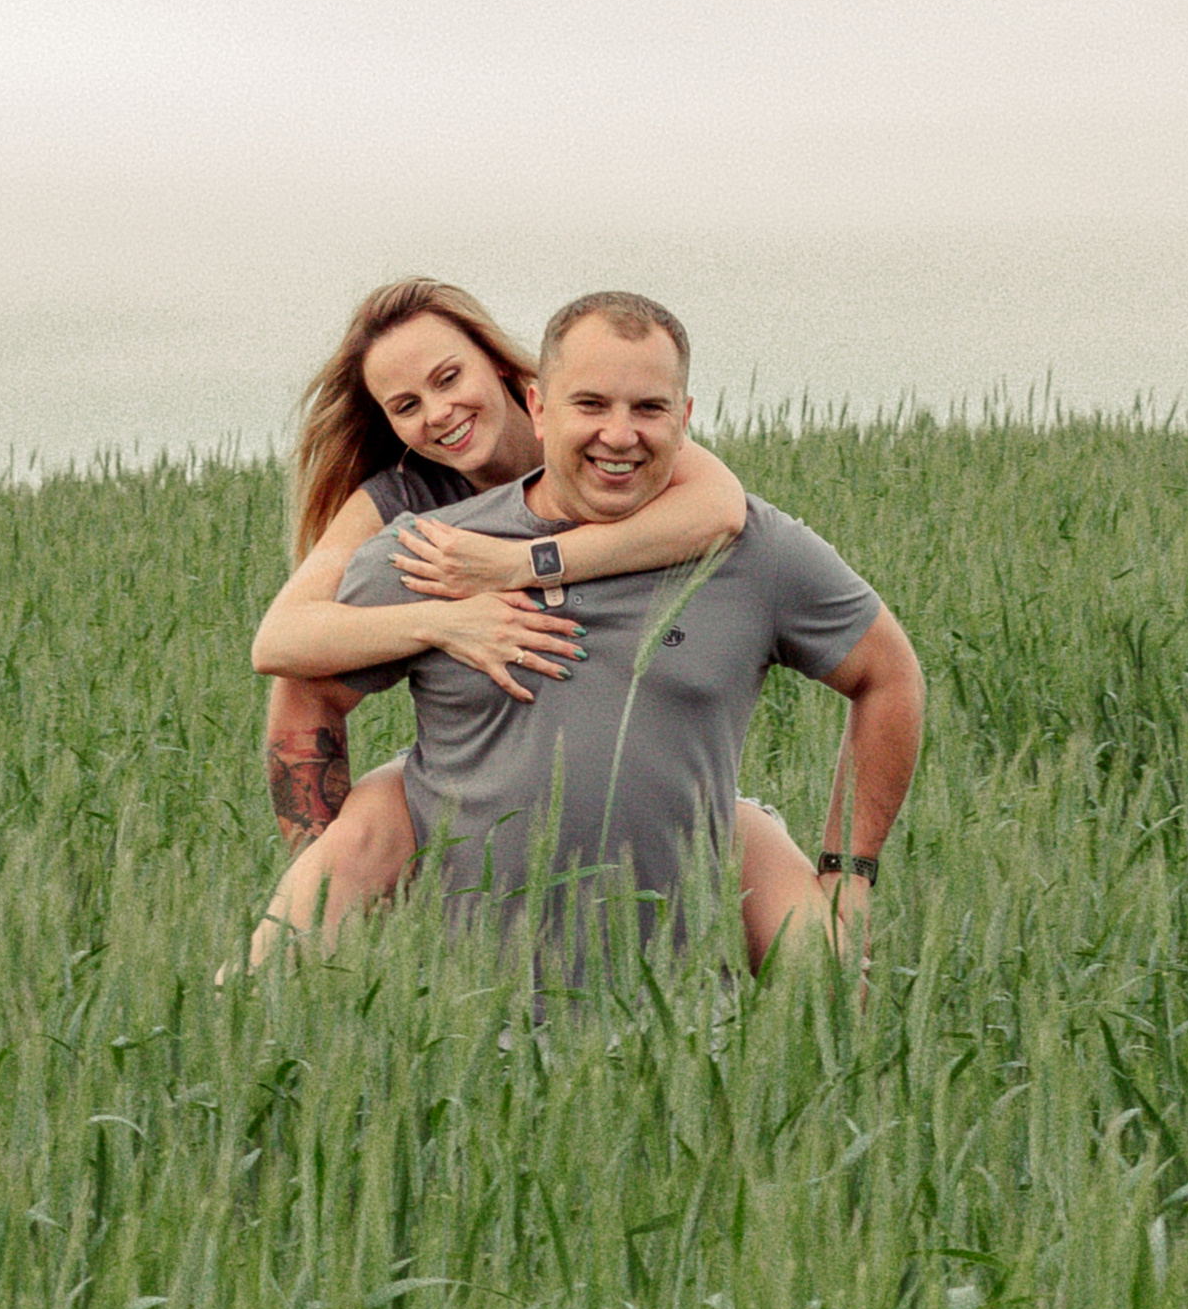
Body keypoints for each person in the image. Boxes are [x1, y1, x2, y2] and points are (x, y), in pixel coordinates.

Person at [291, 288, 923, 974]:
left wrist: (849, 875)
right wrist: (325, 864)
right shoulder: (433, 551)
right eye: (590, 405)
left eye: (648, 408)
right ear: (539, 406)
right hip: (474, 1033)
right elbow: (299, 667)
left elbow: (888, 674)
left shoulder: (748, 543)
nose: (619, 435)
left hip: (686, 1034)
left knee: (829, 984)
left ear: (684, 418)